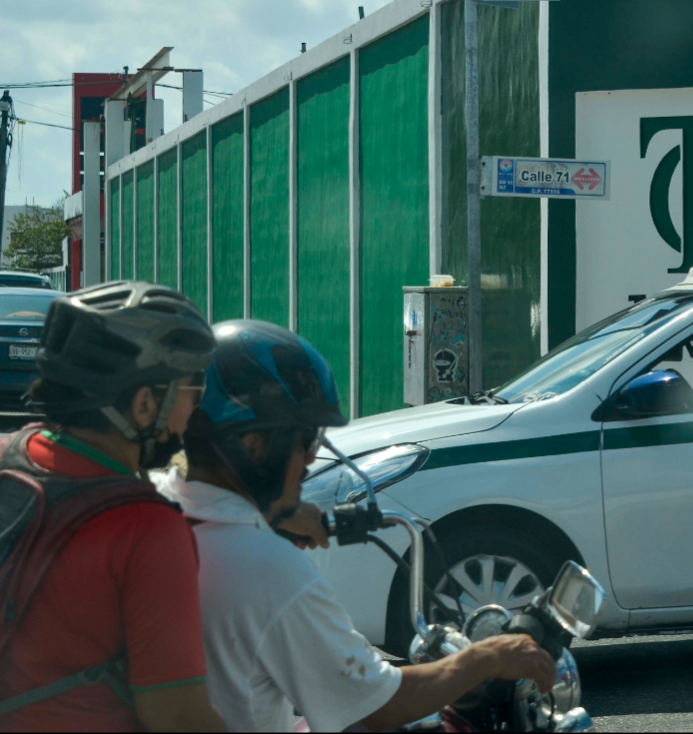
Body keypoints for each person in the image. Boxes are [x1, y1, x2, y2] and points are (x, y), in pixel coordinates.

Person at [156, 320, 555, 732]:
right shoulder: (268, 570)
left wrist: (269, 513)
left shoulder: (154, 512)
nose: (311, 459)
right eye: (305, 441)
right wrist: (484, 658)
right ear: (253, 447)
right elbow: (378, 706)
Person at [0, 281, 226, 732]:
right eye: (192, 391)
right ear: (144, 405)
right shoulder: (149, 531)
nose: (194, 413)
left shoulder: (11, 452)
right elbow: (178, 717)